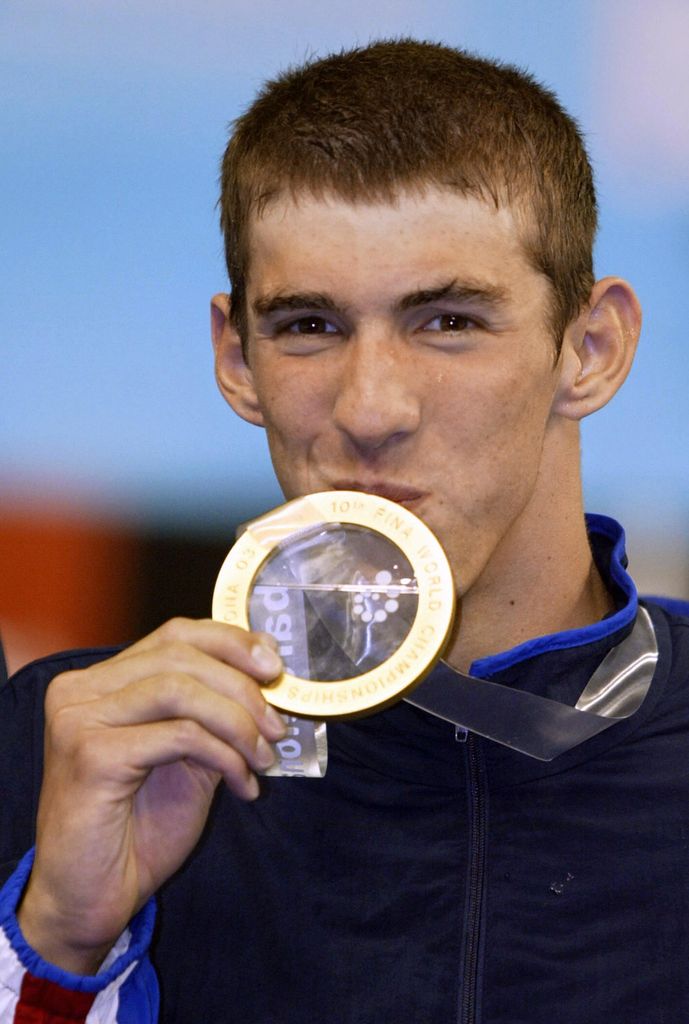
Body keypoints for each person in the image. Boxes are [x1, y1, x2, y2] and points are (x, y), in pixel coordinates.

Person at [1, 38, 687, 1024]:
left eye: (447, 322)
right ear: (235, 360)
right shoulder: (72, 748)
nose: (370, 409)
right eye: (308, 327)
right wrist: (60, 944)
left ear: (590, 348)